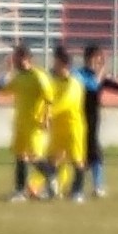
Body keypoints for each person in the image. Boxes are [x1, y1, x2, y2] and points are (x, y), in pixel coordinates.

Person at [75, 45, 118, 198]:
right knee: (79, 152)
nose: (99, 62)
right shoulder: (79, 75)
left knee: (94, 152)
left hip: (93, 119)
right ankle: (73, 185)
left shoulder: (100, 77)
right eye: (97, 59)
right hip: (77, 117)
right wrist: (100, 75)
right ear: (88, 59)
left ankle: (97, 186)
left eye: (100, 60)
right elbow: (92, 87)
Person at [0, 45, 53, 202]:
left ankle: (52, 177)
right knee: (20, 156)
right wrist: (7, 72)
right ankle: (19, 191)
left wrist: (47, 116)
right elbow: (3, 90)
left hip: (35, 124)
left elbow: (49, 97)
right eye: (14, 57)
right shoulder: (18, 77)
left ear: (26, 59)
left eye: (17, 57)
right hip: (20, 123)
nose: (14, 60)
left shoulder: (38, 76)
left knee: (34, 157)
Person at [42, 47, 87, 201]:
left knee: (77, 159)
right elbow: (47, 98)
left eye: (56, 62)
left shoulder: (74, 83)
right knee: (52, 158)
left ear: (64, 64)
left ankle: (78, 191)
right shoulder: (53, 81)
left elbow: (65, 102)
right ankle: (51, 189)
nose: (53, 65)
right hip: (57, 126)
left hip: (73, 126)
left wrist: (48, 114)